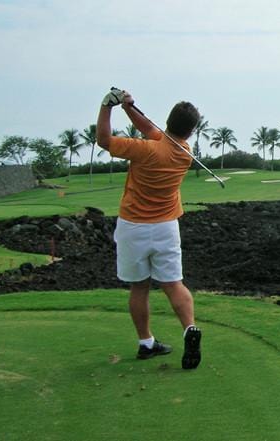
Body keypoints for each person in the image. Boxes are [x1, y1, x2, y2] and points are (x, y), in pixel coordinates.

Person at [96, 88, 202, 369]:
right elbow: (154, 132)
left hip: (134, 227)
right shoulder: (184, 152)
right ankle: (189, 328)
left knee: (139, 287)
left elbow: (104, 140)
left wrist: (107, 106)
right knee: (173, 284)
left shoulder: (144, 150)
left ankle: (146, 343)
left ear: (168, 121)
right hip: (166, 228)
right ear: (190, 132)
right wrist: (129, 107)